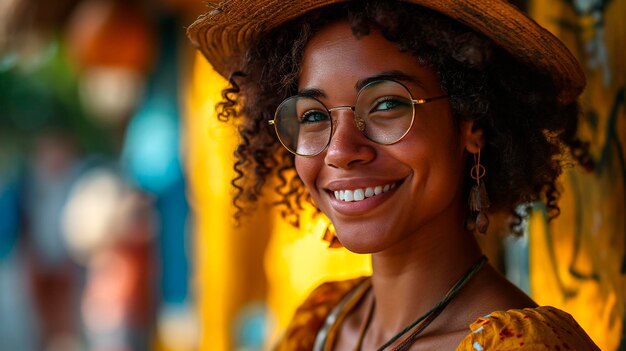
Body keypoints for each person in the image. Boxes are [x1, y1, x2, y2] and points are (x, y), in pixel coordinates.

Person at [187, 0, 600, 350]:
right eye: (313, 115)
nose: (341, 150)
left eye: (386, 105)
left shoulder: (521, 345)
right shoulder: (322, 325)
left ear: (471, 122)